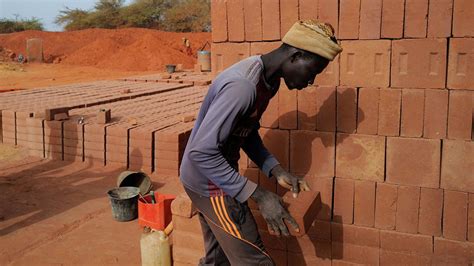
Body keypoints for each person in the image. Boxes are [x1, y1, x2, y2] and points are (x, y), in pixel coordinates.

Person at [179, 20, 342, 265]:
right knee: (255, 262)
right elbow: (200, 152)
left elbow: (245, 131)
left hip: (214, 177)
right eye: (312, 72)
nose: (310, 82)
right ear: (296, 55)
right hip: (212, 185)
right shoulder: (243, 87)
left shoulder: (268, 81)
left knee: (219, 258)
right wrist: (261, 196)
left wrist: (275, 169)